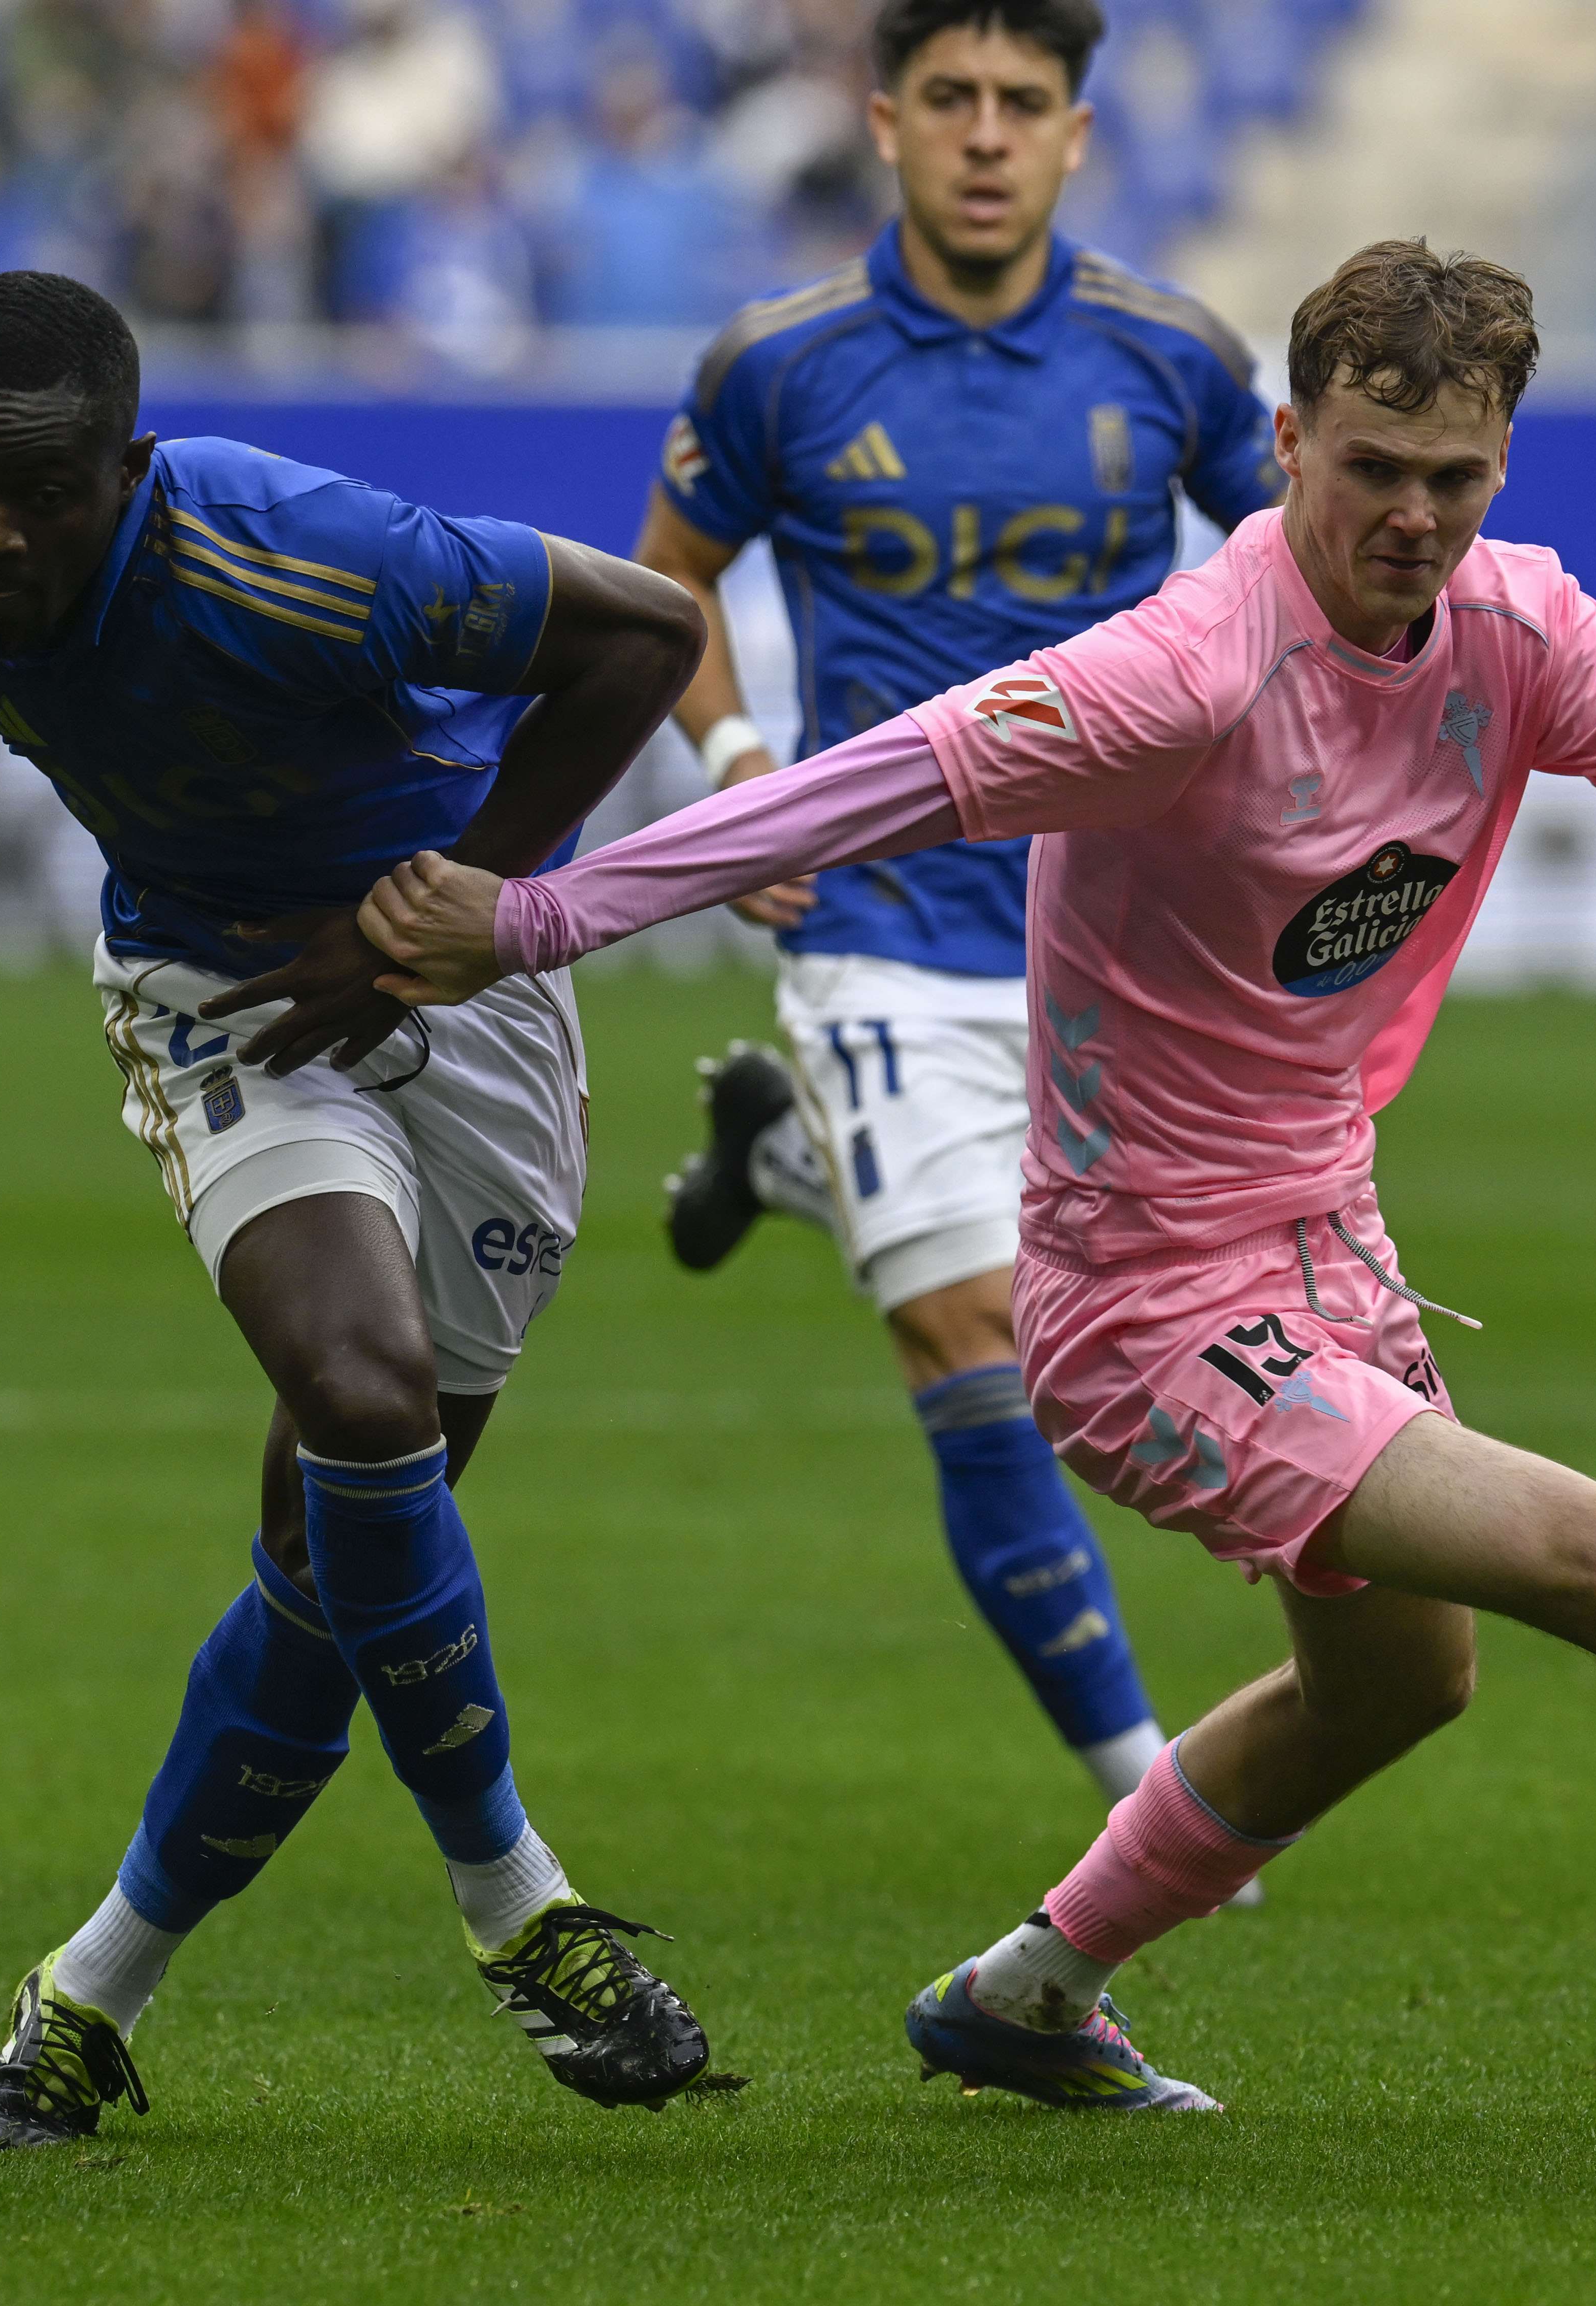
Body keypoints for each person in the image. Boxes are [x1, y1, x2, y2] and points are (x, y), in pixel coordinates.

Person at [333, 242, 1596, 2111]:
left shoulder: (1522, 632)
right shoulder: (1184, 671)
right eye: (1371, 470)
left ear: (1501, 464)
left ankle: (1022, 1996)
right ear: (1287, 448)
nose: (1411, 519)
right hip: (1143, 1312)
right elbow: (882, 778)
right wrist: (528, 916)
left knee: (1392, 1685)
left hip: (1324, 1257)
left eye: (1452, 477)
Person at [0, 272, 713, 2144]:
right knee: (359, 1388)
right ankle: (522, 1909)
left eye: (41, 495)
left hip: (458, 998)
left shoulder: (307, 556)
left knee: (334, 1566)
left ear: (130, 468)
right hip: (220, 1006)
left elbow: (649, 633)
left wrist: (444, 911)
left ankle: (82, 2002)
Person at [638, 0, 1285, 1844]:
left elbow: (1296, 573)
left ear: (1077, 134)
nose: (985, 135)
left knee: (1136, 1345)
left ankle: (784, 1166)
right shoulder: (779, 363)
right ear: (884, 120)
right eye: (950, 100)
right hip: (874, 915)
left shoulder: (1168, 358)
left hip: (1116, 946)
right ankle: (1151, 1803)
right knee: (973, 1334)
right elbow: (663, 583)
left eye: (1022, 103)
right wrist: (747, 762)